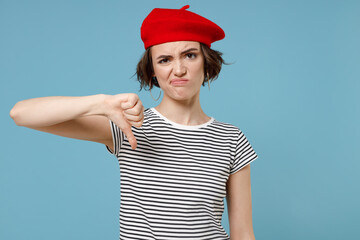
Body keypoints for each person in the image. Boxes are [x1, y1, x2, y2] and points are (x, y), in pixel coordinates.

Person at [10, 5, 258, 240]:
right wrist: (100, 104)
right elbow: (21, 114)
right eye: (165, 60)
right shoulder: (129, 124)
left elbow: (243, 233)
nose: (179, 69)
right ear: (152, 71)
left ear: (206, 62)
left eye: (189, 55)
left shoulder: (231, 138)